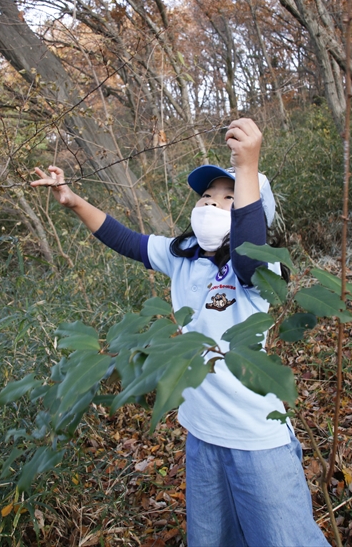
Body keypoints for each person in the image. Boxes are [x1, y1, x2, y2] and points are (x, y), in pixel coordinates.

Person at [31, 118, 330, 547]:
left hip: (256, 443)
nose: (210, 204)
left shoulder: (261, 268)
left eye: (228, 200)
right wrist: (72, 200)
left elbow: (247, 252)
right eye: (206, 196)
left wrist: (247, 167)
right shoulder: (184, 257)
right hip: (201, 436)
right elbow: (126, 239)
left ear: (252, 215)